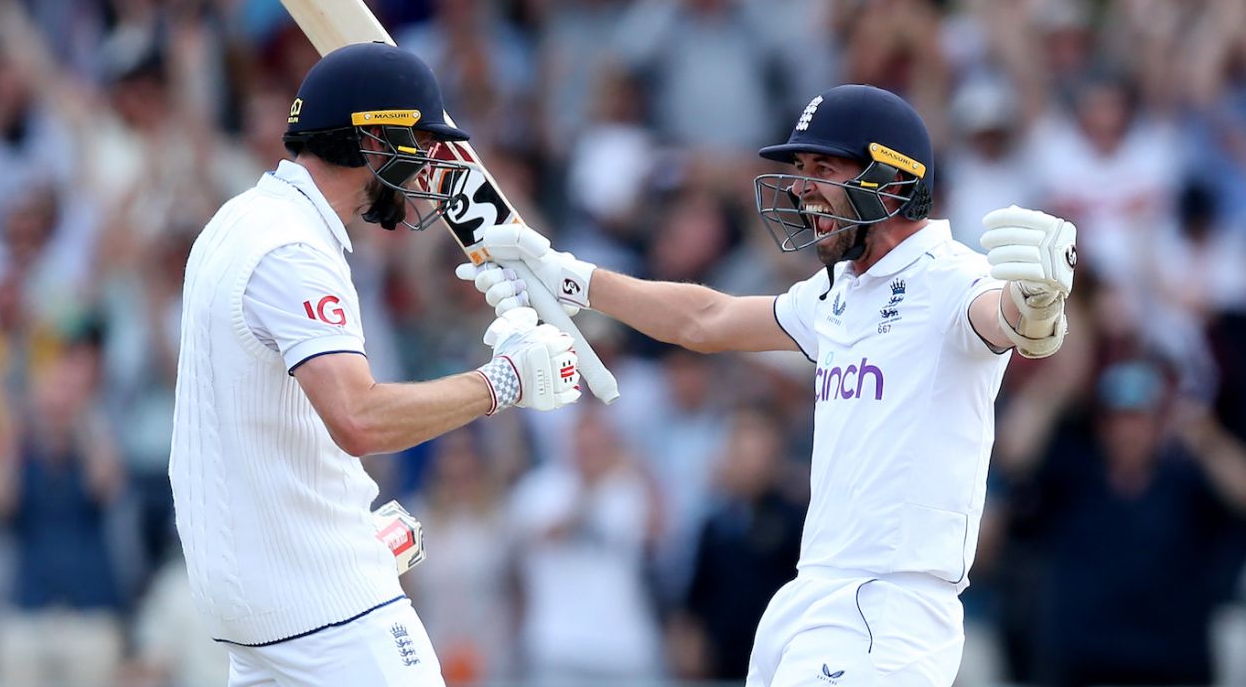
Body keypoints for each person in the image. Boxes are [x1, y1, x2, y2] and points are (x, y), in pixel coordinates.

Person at [461, 84, 1079, 686]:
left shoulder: (951, 277)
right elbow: (705, 320)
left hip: (889, 607)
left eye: (824, 167)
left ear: (892, 182)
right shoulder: (839, 291)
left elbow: (1006, 318)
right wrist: (572, 278)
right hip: (812, 594)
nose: (803, 188)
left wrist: (1038, 303)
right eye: (800, 167)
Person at [170, 42, 581, 687]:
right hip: (327, 612)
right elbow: (357, 418)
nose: (421, 172)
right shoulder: (292, 249)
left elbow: (253, 432)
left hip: (254, 611)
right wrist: (505, 381)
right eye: (413, 146)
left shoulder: (238, 221)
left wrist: (352, 536)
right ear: (371, 143)